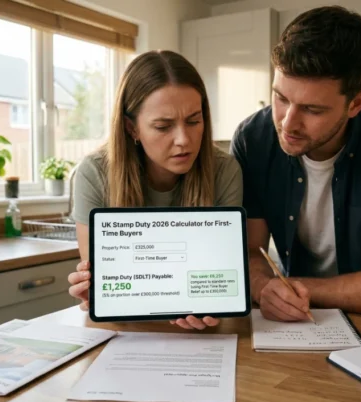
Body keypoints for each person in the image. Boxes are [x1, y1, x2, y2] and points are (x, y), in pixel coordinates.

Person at [230, 6, 361, 322]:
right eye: (281, 98)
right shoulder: (252, 140)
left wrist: (288, 288)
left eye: (312, 109)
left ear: (356, 103)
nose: (287, 123)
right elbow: (249, 252)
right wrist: (263, 287)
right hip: (299, 320)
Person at [67, 50, 243, 330]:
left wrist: (214, 302)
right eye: (163, 126)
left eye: (194, 121)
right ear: (131, 127)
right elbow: (106, 285)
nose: (184, 140)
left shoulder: (225, 171)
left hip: (202, 340)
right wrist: (96, 292)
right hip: (126, 335)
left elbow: (220, 280)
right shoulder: (94, 173)